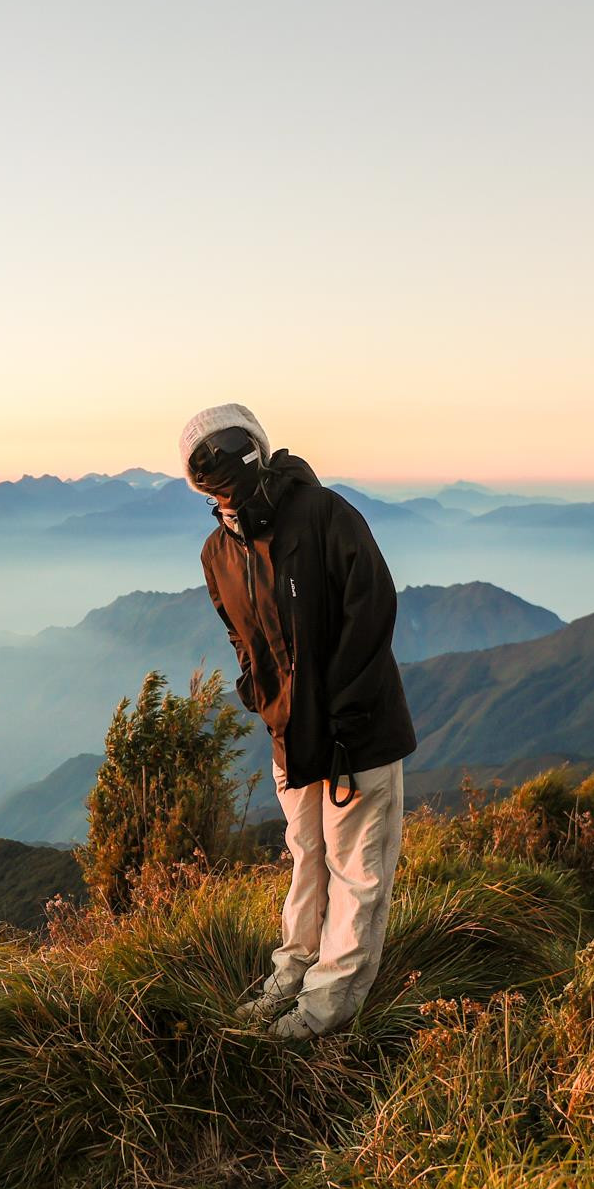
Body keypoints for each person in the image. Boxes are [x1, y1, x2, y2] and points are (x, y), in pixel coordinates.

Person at [180, 403, 416, 1040]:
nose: (225, 493)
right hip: (290, 733)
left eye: (231, 472)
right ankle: (294, 970)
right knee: (307, 855)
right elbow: (238, 633)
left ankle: (327, 1009)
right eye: (212, 484)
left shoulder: (323, 515)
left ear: (258, 451)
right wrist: (260, 694)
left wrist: (347, 712)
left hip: (356, 736)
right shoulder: (217, 552)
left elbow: (373, 608)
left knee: (358, 869)